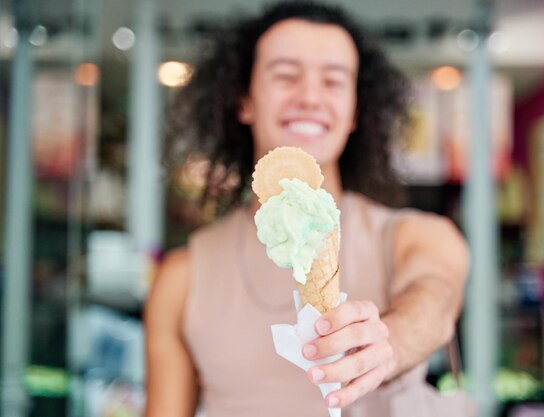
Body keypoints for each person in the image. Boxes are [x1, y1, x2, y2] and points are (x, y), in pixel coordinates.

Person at [144, 2, 469, 417]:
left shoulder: (416, 237)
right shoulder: (182, 277)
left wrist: (388, 341)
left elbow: (434, 300)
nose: (310, 97)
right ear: (244, 101)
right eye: (285, 76)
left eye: (334, 82)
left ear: (355, 112)